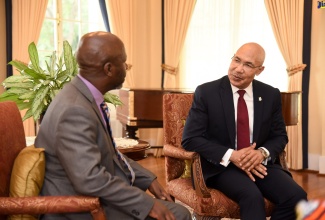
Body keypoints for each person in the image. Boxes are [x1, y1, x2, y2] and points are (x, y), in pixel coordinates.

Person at [35, 31, 191, 220]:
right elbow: (90, 179)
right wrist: (147, 204)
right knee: (179, 214)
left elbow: (110, 154)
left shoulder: (82, 96)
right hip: (77, 208)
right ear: (109, 69)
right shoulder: (75, 110)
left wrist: (148, 179)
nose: (126, 67)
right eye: (124, 62)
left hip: (88, 196)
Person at [181, 42, 307, 220]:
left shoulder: (270, 94)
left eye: (248, 65)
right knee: (251, 196)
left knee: (297, 198)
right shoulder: (207, 92)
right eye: (236, 60)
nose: (238, 69)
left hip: (258, 164)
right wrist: (232, 155)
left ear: (260, 70)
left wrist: (262, 153)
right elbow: (190, 138)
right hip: (221, 166)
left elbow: (279, 136)